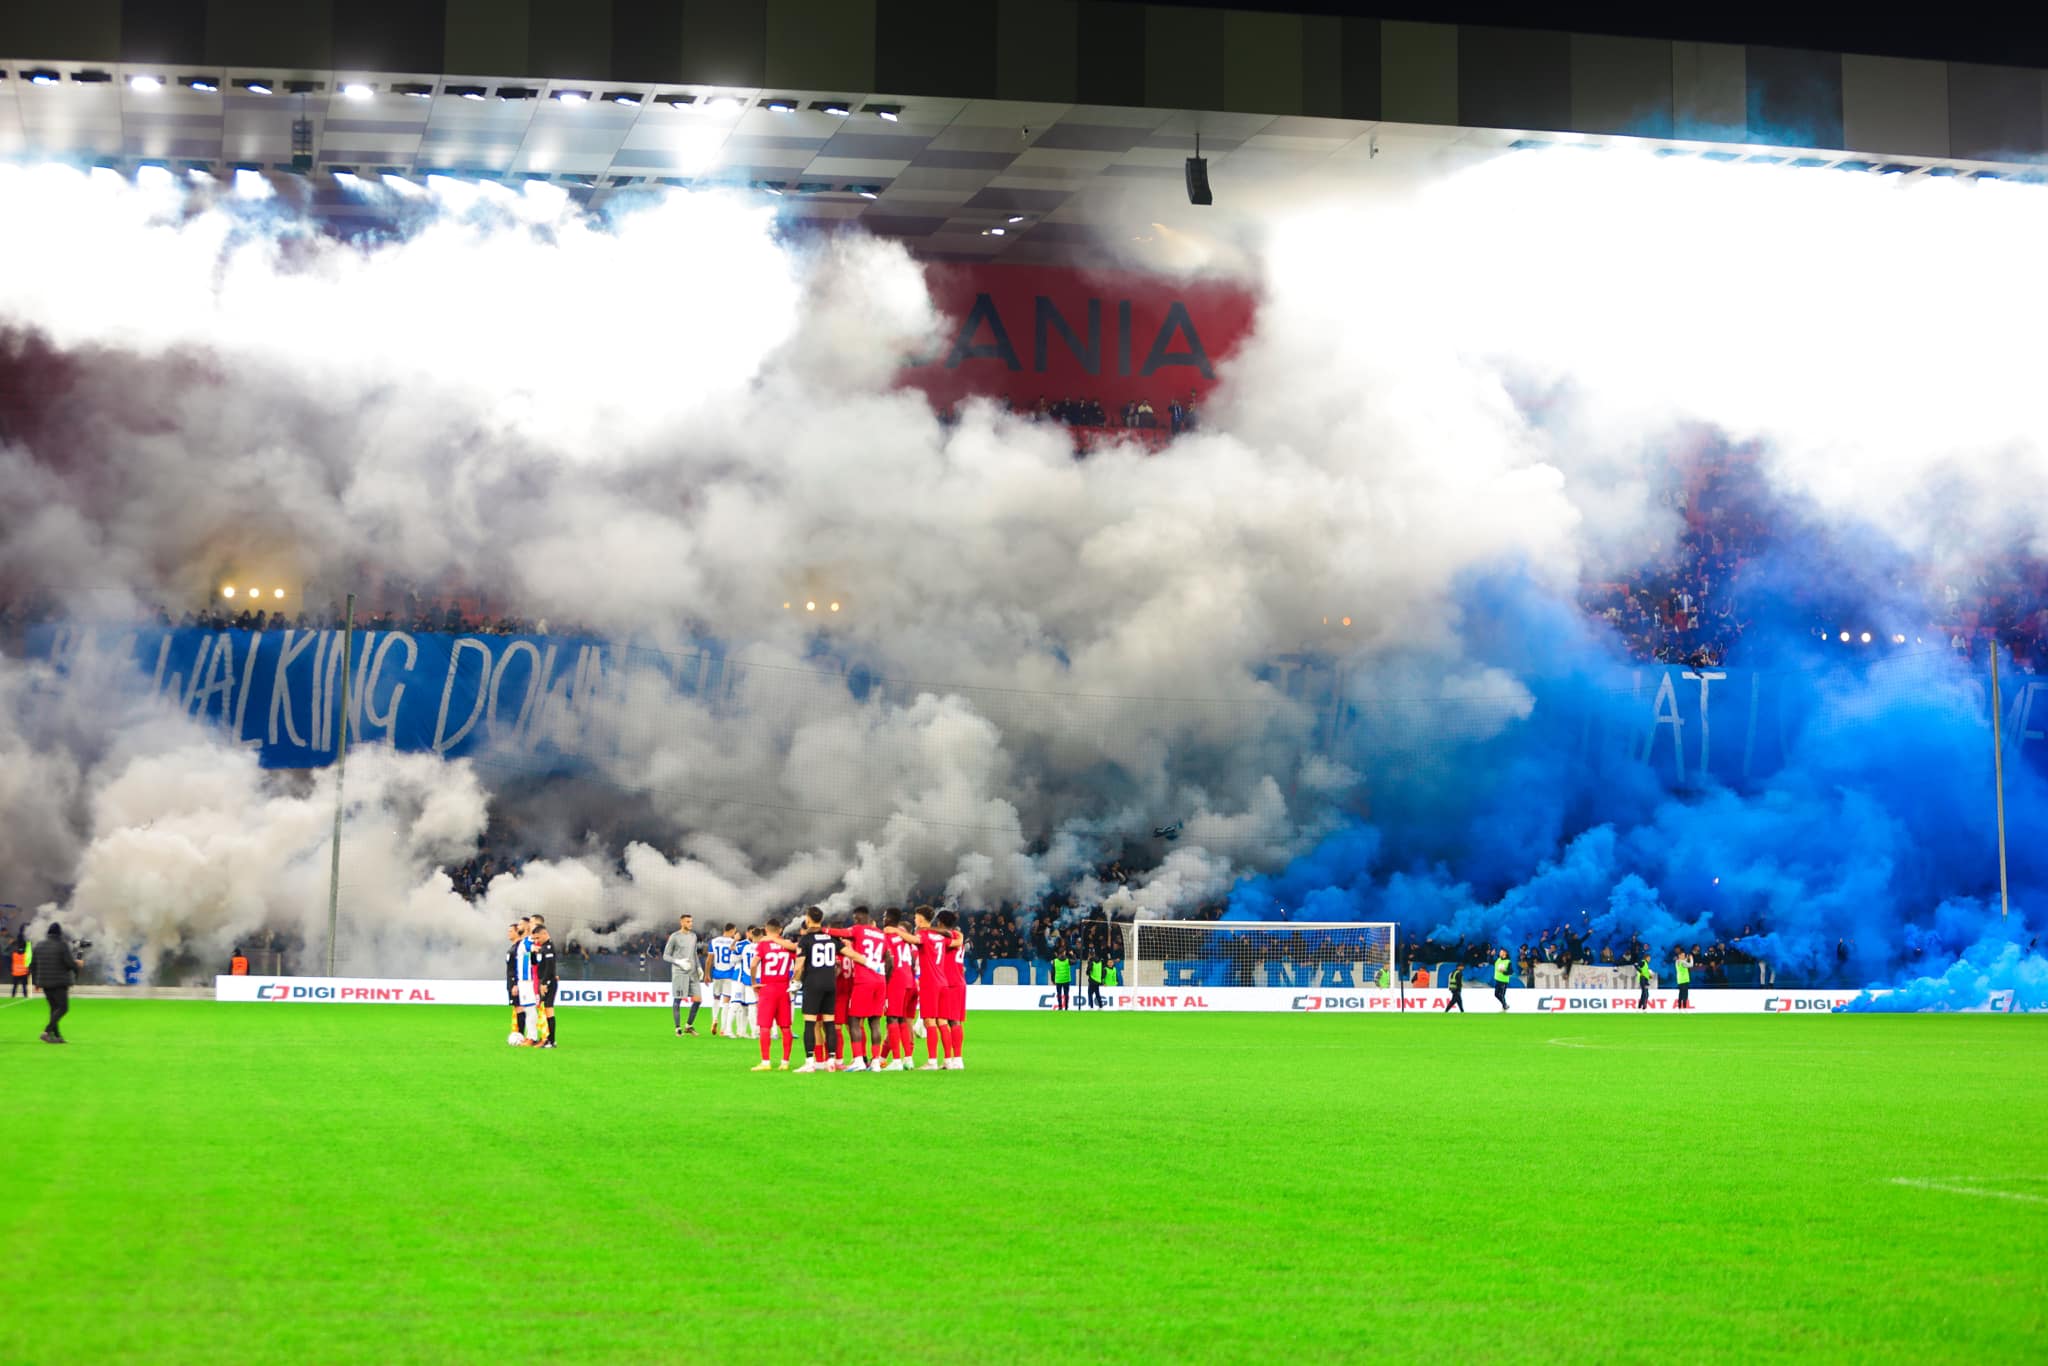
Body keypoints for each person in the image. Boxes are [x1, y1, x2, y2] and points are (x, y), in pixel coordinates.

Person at [829, 907, 889, 1072]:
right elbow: (888, 958)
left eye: (855, 918)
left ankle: (858, 1061)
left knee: (853, 1020)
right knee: (875, 1022)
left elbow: (838, 932)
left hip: (864, 981)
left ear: (860, 918)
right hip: (880, 980)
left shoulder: (858, 930)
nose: (854, 921)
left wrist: (821, 929)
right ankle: (875, 1062)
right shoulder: (881, 935)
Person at [793, 908, 841, 1073]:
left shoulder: (806, 940)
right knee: (830, 1023)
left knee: (810, 1022)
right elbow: (848, 953)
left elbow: (799, 965)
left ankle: (809, 1062)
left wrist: (794, 981)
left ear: (808, 919)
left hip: (813, 983)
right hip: (830, 983)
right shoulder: (831, 938)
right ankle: (831, 1061)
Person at [751, 920, 798, 1071]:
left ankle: (766, 1062)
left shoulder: (763, 945)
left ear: (766, 929)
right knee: (785, 1027)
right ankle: (785, 1062)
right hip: (784, 988)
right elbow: (799, 962)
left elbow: (753, 964)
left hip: (767, 988)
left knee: (765, 1026)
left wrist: (754, 982)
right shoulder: (787, 945)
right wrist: (795, 979)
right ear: (781, 929)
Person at [880, 907, 920, 1070]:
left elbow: (888, 961)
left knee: (892, 1019)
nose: (883, 918)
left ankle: (896, 1060)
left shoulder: (887, 937)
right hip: (909, 980)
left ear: (888, 918)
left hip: (895, 981)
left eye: (884, 916)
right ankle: (908, 1059)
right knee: (903, 1019)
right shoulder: (903, 937)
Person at [32, 923, 82, 1044]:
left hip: (44, 983)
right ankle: (46, 1032)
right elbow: (70, 963)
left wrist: (36, 982)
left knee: (54, 1009)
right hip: (59, 983)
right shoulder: (62, 945)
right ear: (59, 933)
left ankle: (57, 1036)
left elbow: (33, 965)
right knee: (63, 1008)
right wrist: (78, 965)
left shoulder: (39, 945)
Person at [663, 913, 704, 1036]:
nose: (690, 923)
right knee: (678, 999)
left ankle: (689, 1026)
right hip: (680, 972)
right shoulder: (675, 937)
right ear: (682, 923)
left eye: (691, 921)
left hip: (693, 972)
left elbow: (694, 953)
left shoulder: (693, 936)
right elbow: (665, 955)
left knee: (698, 1000)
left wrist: (699, 967)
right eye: (687, 921)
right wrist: (678, 961)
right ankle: (677, 1028)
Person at [707, 924, 739, 1036]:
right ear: (731, 931)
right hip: (729, 974)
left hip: (717, 974)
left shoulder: (714, 941)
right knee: (726, 1002)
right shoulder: (733, 942)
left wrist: (707, 974)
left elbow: (709, 960)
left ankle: (715, 1019)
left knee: (716, 998)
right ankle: (723, 1029)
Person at [530, 922, 558, 1048]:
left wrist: (544, 983)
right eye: (534, 938)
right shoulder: (541, 948)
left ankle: (551, 1041)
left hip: (549, 983)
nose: (536, 940)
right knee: (545, 1011)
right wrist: (532, 952)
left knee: (549, 1010)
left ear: (545, 934)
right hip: (543, 982)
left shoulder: (549, 948)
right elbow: (535, 963)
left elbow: (550, 968)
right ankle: (547, 1039)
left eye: (538, 938)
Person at [733, 928, 760, 1040]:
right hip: (760, 979)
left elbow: (736, 958)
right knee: (759, 1006)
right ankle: (758, 1031)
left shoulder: (745, 948)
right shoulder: (762, 947)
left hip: (748, 979)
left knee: (751, 1006)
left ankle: (753, 1032)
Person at [504, 921, 528, 1041]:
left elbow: (518, 968)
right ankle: (519, 1033)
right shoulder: (513, 947)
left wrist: (515, 984)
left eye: (511, 931)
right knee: (517, 1007)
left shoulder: (519, 947)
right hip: (511, 982)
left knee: (520, 1008)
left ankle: (520, 1034)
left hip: (515, 983)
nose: (508, 933)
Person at [1050, 946, 1073, 1011]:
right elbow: (1075, 961)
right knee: (1066, 994)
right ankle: (1066, 1007)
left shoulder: (1055, 961)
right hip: (1066, 979)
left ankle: (1060, 1007)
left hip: (1058, 979)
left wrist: (1052, 979)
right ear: (1064, 952)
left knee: (1059, 994)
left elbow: (1053, 971)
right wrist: (1072, 955)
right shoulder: (1067, 960)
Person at [8, 929, 28, 998]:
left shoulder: (14, 954)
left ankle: (13, 996)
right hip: (24, 972)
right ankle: (25, 996)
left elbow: (10, 958)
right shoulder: (25, 954)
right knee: (24, 986)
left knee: (15, 986)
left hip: (16, 972)